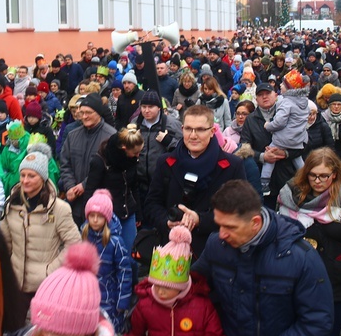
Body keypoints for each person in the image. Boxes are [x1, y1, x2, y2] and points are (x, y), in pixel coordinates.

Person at [192, 180, 334, 336]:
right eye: (219, 226)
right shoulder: (216, 246)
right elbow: (193, 286)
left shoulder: (301, 258)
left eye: (230, 227)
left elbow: (317, 322)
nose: (222, 234)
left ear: (255, 223)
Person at [277, 148, 341, 336]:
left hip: (337, 284)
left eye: (324, 176)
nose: (317, 181)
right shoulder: (290, 196)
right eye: (313, 175)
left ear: (334, 174)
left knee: (328, 333)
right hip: (297, 281)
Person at [143, 105, 246, 258]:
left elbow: (240, 212)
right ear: (182, 128)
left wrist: (201, 220)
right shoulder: (166, 162)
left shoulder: (232, 165)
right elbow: (151, 204)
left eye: (200, 129)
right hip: (171, 254)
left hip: (214, 253)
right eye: (188, 129)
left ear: (212, 132)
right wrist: (166, 222)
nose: (193, 135)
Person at [0, 149, 81, 311]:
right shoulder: (12, 203)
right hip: (16, 284)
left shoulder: (59, 209)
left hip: (45, 286)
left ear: (43, 178)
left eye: (31, 176)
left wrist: (50, 272)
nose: (25, 180)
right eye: (23, 175)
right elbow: (5, 241)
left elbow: (74, 244)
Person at [125, 226, 225, 336]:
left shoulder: (202, 306)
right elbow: (134, 335)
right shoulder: (145, 304)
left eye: (167, 288)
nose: (160, 291)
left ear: (181, 286)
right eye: (156, 285)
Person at [83, 126, 143, 252]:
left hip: (128, 211)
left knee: (130, 254)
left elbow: (134, 186)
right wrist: (90, 216)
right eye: (135, 153)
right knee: (109, 253)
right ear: (124, 148)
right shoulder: (100, 161)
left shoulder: (131, 161)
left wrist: (138, 212)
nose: (138, 156)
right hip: (107, 215)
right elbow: (90, 191)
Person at [239, 83, 300, 208]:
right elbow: (244, 147)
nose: (264, 97)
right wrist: (262, 156)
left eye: (268, 94)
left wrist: (286, 153)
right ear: (256, 99)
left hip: (288, 173)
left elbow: (303, 143)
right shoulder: (250, 120)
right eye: (260, 95)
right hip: (262, 176)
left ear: (276, 95)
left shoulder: (289, 114)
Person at [60, 93, 117, 226]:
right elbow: (65, 163)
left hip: (99, 206)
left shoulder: (111, 136)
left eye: (89, 113)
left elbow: (110, 168)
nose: (84, 117)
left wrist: (84, 185)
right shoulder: (73, 135)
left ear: (98, 113)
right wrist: (70, 186)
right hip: (74, 202)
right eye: (82, 113)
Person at [81, 190, 132, 333]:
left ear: (107, 218)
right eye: (92, 216)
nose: (95, 220)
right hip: (85, 298)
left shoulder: (116, 242)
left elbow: (124, 273)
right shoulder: (83, 237)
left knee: (107, 332)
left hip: (109, 299)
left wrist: (122, 301)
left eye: (100, 216)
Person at [131, 91, 183, 224]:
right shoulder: (135, 123)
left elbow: (184, 148)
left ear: (158, 107)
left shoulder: (171, 124)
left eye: (150, 107)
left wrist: (168, 141)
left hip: (162, 182)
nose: (146, 110)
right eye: (143, 107)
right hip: (139, 181)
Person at [260, 69, 310, 193]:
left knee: (271, 154)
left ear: (289, 88)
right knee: (297, 159)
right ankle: (306, 177)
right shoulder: (304, 102)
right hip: (298, 139)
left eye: (283, 84)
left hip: (283, 139)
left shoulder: (286, 102)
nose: (280, 85)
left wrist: (268, 125)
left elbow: (279, 122)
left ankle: (264, 182)